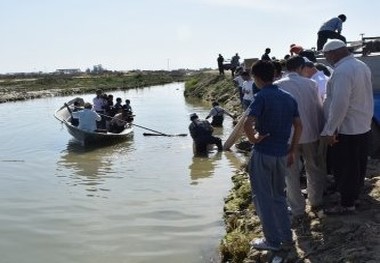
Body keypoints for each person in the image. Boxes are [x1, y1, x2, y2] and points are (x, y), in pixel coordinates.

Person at [243, 60, 302, 251]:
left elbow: (247, 124)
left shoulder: (261, 96)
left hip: (263, 154)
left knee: (262, 198)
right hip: (282, 153)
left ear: (256, 78)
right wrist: (292, 150)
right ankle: (287, 237)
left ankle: (272, 241)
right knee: (279, 196)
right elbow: (299, 126)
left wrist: (254, 139)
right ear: (274, 75)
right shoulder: (288, 97)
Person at [321, 39, 373, 214]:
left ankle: (347, 204)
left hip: (348, 127)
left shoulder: (342, 71)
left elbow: (340, 103)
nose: (326, 58)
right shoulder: (360, 66)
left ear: (334, 53)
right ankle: (354, 197)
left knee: (345, 166)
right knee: (358, 165)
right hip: (362, 125)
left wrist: (329, 129)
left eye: (326, 55)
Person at [274, 55, 325, 218]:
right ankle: (315, 201)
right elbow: (318, 108)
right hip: (310, 133)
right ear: (302, 68)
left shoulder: (277, 86)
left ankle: (297, 209)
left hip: (288, 137)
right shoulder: (311, 84)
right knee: (313, 169)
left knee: (291, 174)